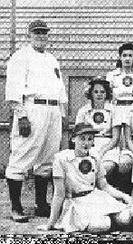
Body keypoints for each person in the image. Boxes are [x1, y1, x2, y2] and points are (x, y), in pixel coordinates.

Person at [5, 20, 68, 222]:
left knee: (48, 159)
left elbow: (60, 88)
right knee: (22, 155)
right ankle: (16, 207)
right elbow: (14, 87)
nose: (41, 36)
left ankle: (41, 204)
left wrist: (62, 113)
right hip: (33, 108)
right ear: (29, 35)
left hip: (53, 110)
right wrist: (21, 114)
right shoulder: (20, 56)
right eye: (37, 32)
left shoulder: (51, 59)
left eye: (44, 33)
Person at [37, 123, 133, 233]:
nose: (86, 143)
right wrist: (50, 223)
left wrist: (124, 196)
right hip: (76, 203)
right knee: (100, 225)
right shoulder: (61, 159)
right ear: (73, 139)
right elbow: (59, 194)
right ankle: (111, 222)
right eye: (82, 139)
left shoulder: (94, 156)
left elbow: (104, 185)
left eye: (90, 139)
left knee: (125, 217)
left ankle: (123, 221)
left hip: (96, 198)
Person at [76, 77, 133, 194]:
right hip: (88, 144)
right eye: (96, 92)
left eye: (102, 92)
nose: (99, 95)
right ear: (91, 93)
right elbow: (79, 133)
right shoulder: (83, 111)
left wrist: (102, 151)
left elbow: (115, 138)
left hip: (108, 146)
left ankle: (105, 192)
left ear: (107, 93)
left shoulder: (113, 110)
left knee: (106, 166)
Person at [106, 42, 133, 133]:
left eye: (130, 55)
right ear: (120, 57)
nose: (127, 58)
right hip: (118, 109)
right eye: (124, 55)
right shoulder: (112, 75)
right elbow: (108, 96)